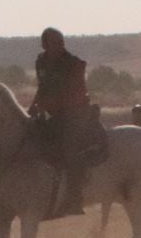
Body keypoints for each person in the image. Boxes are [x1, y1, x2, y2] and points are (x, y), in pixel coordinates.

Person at [32, 27, 94, 214]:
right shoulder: (41, 62)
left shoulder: (74, 64)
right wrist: (33, 108)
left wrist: (51, 106)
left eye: (60, 42)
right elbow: (42, 88)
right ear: (44, 45)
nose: (59, 46)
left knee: (70, 151)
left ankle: (74, 199)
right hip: (53, 115)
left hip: (75, 115)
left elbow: (77, 93)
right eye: (54, 43)